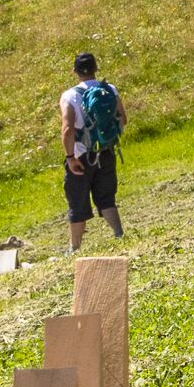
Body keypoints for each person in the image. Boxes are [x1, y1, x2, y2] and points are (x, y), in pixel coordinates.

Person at [57, 52, 125, 248]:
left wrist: (70, 157)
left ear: (74, 71)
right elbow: (123, 119)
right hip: (106, 151)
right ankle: (119, 234)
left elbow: (68, 129)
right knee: (106, 197)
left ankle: (75, 247)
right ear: (96, 68)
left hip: (81, 155)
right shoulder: (110, 90)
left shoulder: (69, 96)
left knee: (77, 201)